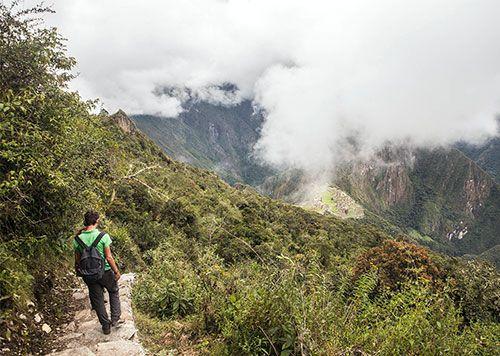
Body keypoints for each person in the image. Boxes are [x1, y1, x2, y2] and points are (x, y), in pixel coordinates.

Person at [73, 211, 122, 334]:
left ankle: (105, 326)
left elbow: (77, 260)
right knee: (113, 290)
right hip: (104, 271)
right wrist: (116, 271)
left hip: (89, 274)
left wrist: (79, 273)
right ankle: (115, 319)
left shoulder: (77, 239)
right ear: (96, 221)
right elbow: (109, 257)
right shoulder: (103, 236)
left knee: (98, 299)